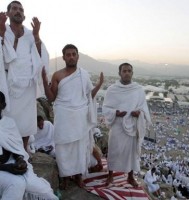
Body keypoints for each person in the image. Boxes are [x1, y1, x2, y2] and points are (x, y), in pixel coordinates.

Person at [42, 44, 103, 189]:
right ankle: (64, 177)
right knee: (63, 147)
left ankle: (78, 176)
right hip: (64, 116)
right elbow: (51, 98)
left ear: (77, 56)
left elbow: (89, 97)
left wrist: (99, 85)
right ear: (63, 57)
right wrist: (45, 82)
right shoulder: (57, 75)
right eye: (68, 54)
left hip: (80, 117)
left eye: (73, 54)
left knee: (79, 148)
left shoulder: (84, 75)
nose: (71, 57)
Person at [0, 1, 49, 151]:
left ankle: (23, 153)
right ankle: (9, 152)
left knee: (26, 123)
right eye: (14, 8)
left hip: (28, 85)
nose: (18, 11)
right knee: (9, 120)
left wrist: (36, 36)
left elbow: (42, 57)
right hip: (9, 83)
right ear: (7, 13)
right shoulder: (3, 30)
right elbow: (5, 56)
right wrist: (2, 33)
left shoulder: (29, 34)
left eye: (21, 9)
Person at [0, 91, 58, 200]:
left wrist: (20, 160)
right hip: (3, 169)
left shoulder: (9, 123)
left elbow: (16, 149)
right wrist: (6, 168)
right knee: (16, 184)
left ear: (3, 105)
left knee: (43, 192)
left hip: (11, 164)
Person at [103, 62, 151, 186]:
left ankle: (130, 177)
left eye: (129, 71)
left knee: (131, 152)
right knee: (114, 150)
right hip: (117, 125)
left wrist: (139, 113)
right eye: (124, 71)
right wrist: (115, 113)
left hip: (132, 126)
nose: (127, 73)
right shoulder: (112, 90)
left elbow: (143, 108)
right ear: (119, 73)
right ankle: (110, 175)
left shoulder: (138, 90)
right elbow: (105, 107)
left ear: (132, 73)